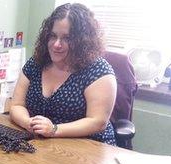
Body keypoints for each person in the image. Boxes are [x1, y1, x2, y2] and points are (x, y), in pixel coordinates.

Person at [10, 3, 117, 145]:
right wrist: (28, 123)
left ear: (82, 42)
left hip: (89, 149)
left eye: (66, 38)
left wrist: (54, 129)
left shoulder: (98, 71)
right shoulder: (37, 62)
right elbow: (16, 105)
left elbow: (97, 122)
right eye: (53, 36)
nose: (56, 44)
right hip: (44, 145)